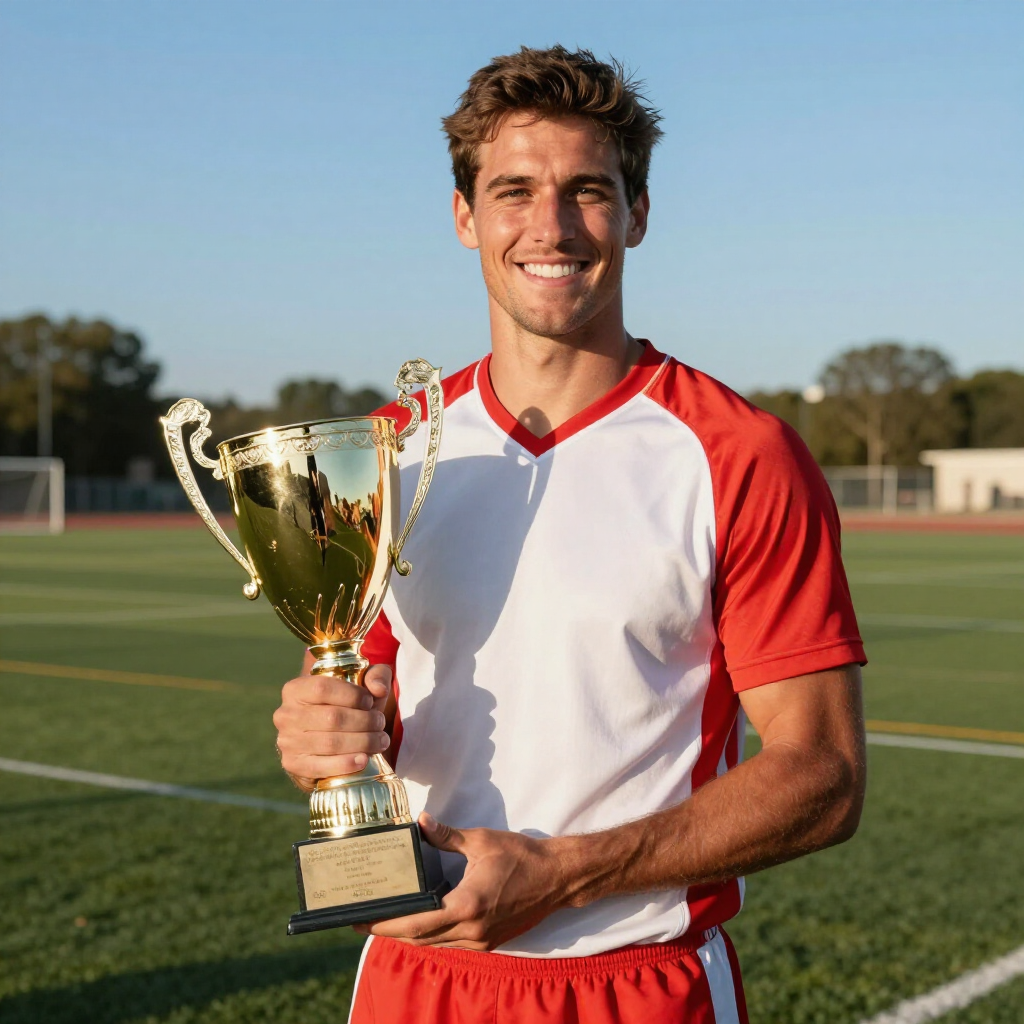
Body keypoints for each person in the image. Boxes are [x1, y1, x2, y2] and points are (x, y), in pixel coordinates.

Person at [273, 45, 867, 1024]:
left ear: (637, 211)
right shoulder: (383, 451)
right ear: (463, 215)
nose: (549, 226)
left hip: (637, 985)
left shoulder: (738, 453)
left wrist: (564, 871)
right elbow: (351, 713)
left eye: (587, 190)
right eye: (513, 190)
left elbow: (825, 774)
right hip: (411, 977)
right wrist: (318, 738)